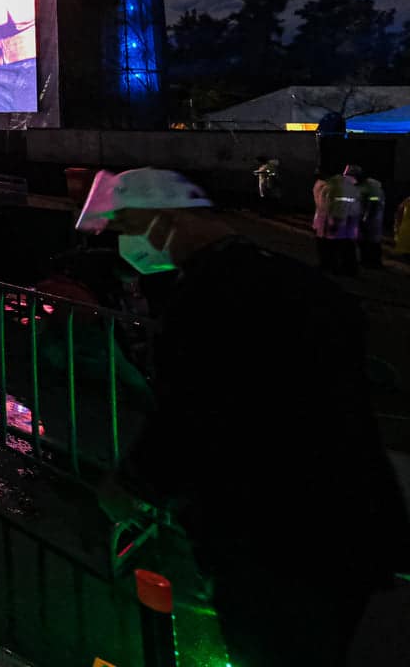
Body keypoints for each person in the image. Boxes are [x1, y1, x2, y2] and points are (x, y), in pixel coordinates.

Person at [81, 167, 410, 665]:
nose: (125, 243)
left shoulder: (210, 295)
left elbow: (197, 413)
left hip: (275, 538)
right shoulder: (286, 276)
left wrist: (133, 482)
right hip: (347, 523)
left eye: (128, 226)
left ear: (165, 219)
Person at [312, 166, 363, 275]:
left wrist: (333, 222)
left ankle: (336, 268)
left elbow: (335, 206)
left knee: (335, 246)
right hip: (347, 223)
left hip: (337, 222)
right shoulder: (350, 187)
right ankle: (346, 269)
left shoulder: (333, 186)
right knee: (345, 247)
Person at [356, 171, 386, 272]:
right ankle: (369, 261)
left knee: (371, 242)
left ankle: (373, 262)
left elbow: (374, 204)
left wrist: (365, 218)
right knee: (368, 241)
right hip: (370, 219)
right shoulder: (370, 187)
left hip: (371, 220)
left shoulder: (372, 188)